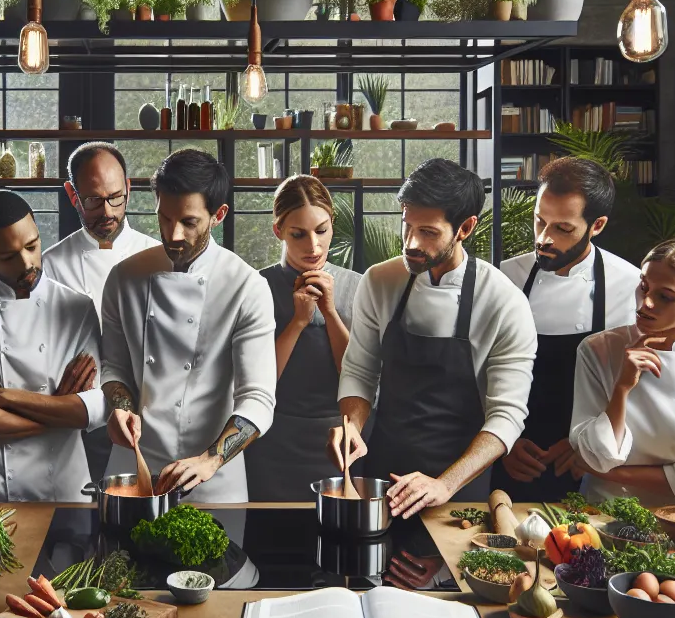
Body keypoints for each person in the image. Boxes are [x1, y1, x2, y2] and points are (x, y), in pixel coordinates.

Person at [332, 158, 537, 515]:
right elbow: (360, 370)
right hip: (382, 475)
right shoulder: (380, 281)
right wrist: (352, 427)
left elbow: (507, 416)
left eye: (428, 232)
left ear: (465, 228)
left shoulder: (504, 302)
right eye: (407, 226)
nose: (411, 242)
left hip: (459, 488)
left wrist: (444, 484)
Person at [101, 149, 276, 501]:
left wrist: (210, 460)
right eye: (164, 218)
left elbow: (257, 398)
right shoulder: (124, 278)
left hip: (215, 480)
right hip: (134, 466)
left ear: (218, 215)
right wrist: (121, 408)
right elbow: (114, 366)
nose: (173, 234)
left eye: (189, 222)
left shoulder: (246, 286)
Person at [0, 190, 105, 501]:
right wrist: (56, 414)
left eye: (32, 246)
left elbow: (94, 406)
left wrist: (0, 396)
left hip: (64, 487)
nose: (27, 263)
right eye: (8, 256)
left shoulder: (77, 307)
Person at [492, 156, 641, 500]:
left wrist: (586, 447)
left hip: (587, 464)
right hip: (513, 454)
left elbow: (637, 388)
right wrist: (503, 442)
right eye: (539, 221)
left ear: (597, 225)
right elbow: (481, 370)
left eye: (563, 228)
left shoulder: (631, 286)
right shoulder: (504, 277)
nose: (544, 238)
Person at [566, 238, 675, 506]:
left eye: (666, 296)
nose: (646, 302)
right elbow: (595, 454)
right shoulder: (597, 349)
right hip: (597, 514)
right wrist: (622, 387)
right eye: (643, 286)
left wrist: (611, 473)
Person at [41, 141, 157, 482]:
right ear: (72, 194)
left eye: (115, 197)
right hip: (79, 420)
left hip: (148, 417)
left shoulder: (158, 257)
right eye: (93, 200)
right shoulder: (50, 265)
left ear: (129, 188)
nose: (107, 211)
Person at [243, 175, 363, 499]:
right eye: (298, 234)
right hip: (271, 440)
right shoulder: (256, 287)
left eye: (321, 230)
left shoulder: (357, 286)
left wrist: (331, 312)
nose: (313, 246)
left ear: (332, 224)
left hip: (339, 441)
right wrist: (297, 322)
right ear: (278, 231)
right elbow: (257, 381)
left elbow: (359, 377)